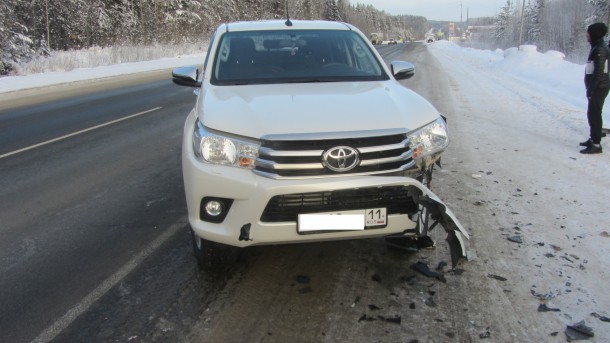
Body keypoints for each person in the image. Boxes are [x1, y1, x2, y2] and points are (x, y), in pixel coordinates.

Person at [581, 22, 610, 154]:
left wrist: (591, 90)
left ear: (594, 34)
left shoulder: (600, 49)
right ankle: (593, 139)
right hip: (598, 86)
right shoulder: (597, 46)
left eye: (589, 33)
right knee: (592, 113)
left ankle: (596, 145)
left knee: (594, 114)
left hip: (599, 87)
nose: (587, 35)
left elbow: (598, 73)